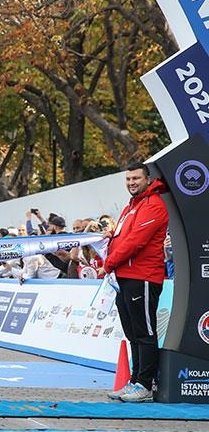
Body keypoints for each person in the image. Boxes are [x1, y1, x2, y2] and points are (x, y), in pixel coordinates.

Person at [104, 162, 169, 403]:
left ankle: (145, 384)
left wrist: (108, 262)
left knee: (144, 331)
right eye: (128, 179)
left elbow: (135, 242)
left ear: (147, 179)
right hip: (124, 277)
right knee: (133, 332)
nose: (132, 182)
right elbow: (121, 238)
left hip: (143, 276)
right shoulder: (131, 206)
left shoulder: (153, 205)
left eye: (136, 178)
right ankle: (135, 380)